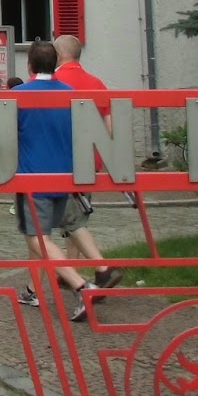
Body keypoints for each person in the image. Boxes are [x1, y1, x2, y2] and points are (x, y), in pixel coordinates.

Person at [0, 40, 96, 323]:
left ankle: (81, 286)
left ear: (30, 66)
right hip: (64, 178)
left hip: (33, 179)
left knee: (37, 238)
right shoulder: (70, 93)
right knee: (50, 235)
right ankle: (53, 286)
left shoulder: (18, 95)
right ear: (56, 63)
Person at [52, 35, 128, 280]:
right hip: (89, 160)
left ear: (58, 55)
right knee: (79, 216)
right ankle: (72, 270)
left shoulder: (54, 82)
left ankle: (101, 269)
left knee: (70, 220)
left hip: (59, 160)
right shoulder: (96, 83)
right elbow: (109, 126)